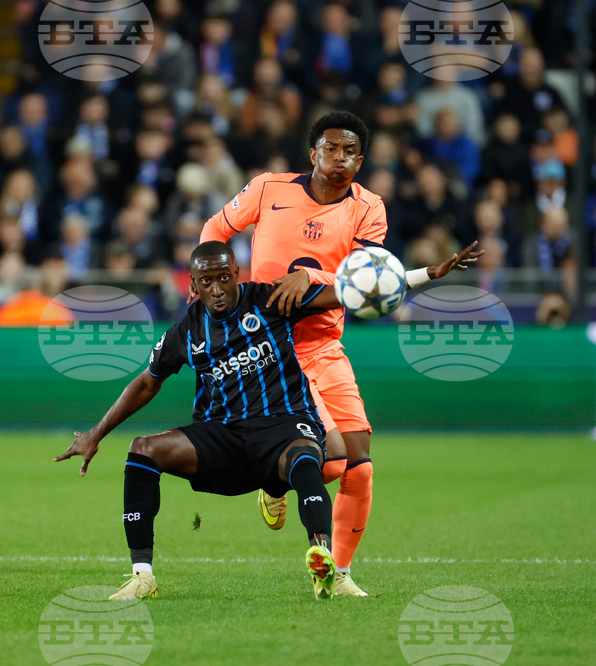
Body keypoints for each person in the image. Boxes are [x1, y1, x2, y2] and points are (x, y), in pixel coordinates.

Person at [201, 111, 481, 596]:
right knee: (326, 461)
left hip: (325, 346)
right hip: (270, 352)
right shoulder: (268, 189)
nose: (341, 158)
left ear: (361, 160)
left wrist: (311, 277)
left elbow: (366, 277)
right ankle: (274, 478)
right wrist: (211, 279)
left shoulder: (369, 207)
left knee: (360, 463)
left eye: (351, 152)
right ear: (313, 153)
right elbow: (214, 229)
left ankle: (336, 574)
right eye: (332, 149)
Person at [56, 241, 345, 601]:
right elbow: (147, 382)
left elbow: (339, 296)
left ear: (237, 275)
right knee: (143, 450)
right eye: (206, 281)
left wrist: (413, 277)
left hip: (282, 428)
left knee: (307, 456)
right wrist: (96, 434)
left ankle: (323, 561)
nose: (217, 289)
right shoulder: (187, 331)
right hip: (222, 439)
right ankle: (142, 576)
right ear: (193, 285)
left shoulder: (270, 301)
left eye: (224, 278)